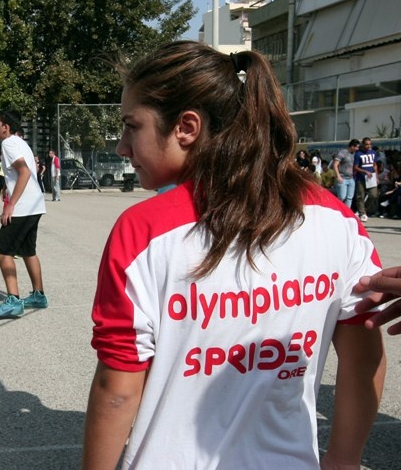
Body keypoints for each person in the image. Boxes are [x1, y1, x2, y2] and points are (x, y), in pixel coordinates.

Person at [82, 41, 386, 470]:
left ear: (186, 127)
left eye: (132, 126)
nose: (122, 147)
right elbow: (363, 359)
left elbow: (117, 389)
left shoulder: (144, 230)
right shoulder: (336, 218)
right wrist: (344, 461)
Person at [0, 110, 49, 318]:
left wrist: (10, 204)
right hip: (35, 204)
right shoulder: (21, 142)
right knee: (28, 251)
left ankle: (13, 300)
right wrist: (7, 187)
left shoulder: (8, 144)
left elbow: (24, 172)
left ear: (6, 127)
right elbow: (21, 172)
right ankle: (38, 296)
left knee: (2, 250)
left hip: (23, 206)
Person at [354, 137, 378, 222]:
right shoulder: (358, 154)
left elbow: (375, 165)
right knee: (360, 196)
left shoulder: (373, 153)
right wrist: (365, 171)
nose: (368, 146)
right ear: (363, 145)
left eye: (370, 144)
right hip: (361, 178)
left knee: (373, 195)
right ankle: (362, 213)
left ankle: (363, 210)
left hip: (371, 178)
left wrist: (376, 176)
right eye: (367, 144)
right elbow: (355, 167)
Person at [332, 139, 359, 209]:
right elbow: (335, 164)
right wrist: (338, 176)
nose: (357, 149)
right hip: (342, 178)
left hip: (351, 178)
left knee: (349, 198)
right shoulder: (343, 152)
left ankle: (347, 213)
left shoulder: (355, 154)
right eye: (356, 147)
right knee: (342, 197)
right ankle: (338, 210)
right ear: (352, 146)